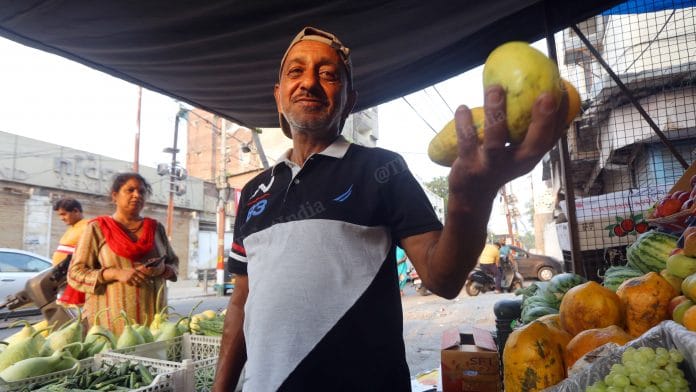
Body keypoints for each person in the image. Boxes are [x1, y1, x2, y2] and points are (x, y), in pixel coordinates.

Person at [214, 26, 567, 392]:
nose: (309, 83)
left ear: (350, 100)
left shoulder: (381, 169)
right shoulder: (256, 191)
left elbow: (442, 279)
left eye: (328, 74)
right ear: (278, 97)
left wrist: (471, 198)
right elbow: (241, 302)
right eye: (295, 71)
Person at [67, 173, 178, 335]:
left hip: (154, 325)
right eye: (130, 190)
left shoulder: (156, 229)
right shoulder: (97, 228)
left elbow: (174, 262)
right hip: (110, 327)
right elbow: (75, 273)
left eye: (141, 191)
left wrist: (163, 270)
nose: (137, 195)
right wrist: (115, 273)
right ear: (115, 196)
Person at [51, 198, 89, 306]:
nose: (61, 218)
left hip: (75, 278)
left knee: (73, 311)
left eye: (64, 214)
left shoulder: (88, 226)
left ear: (76, 211)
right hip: (63, 276)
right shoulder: (73, 227)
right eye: (59, 215)